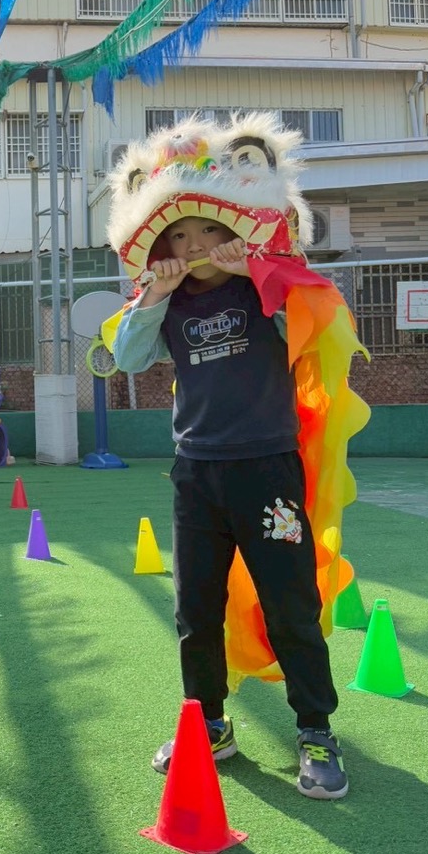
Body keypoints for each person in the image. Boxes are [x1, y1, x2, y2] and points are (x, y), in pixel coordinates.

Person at [110, 170, 349, 801]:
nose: (194, 245)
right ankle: (209, 725)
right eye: (179, 235)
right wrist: (155, 292)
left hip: (268, 471)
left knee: (290, 604)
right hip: (196, 474)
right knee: (195, 610)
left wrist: (256, 271)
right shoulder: (167, 301)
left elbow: (316, 321)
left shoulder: (262, 289)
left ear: (235, 232)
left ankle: (316, 730)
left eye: (209, 230)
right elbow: (129, 358)